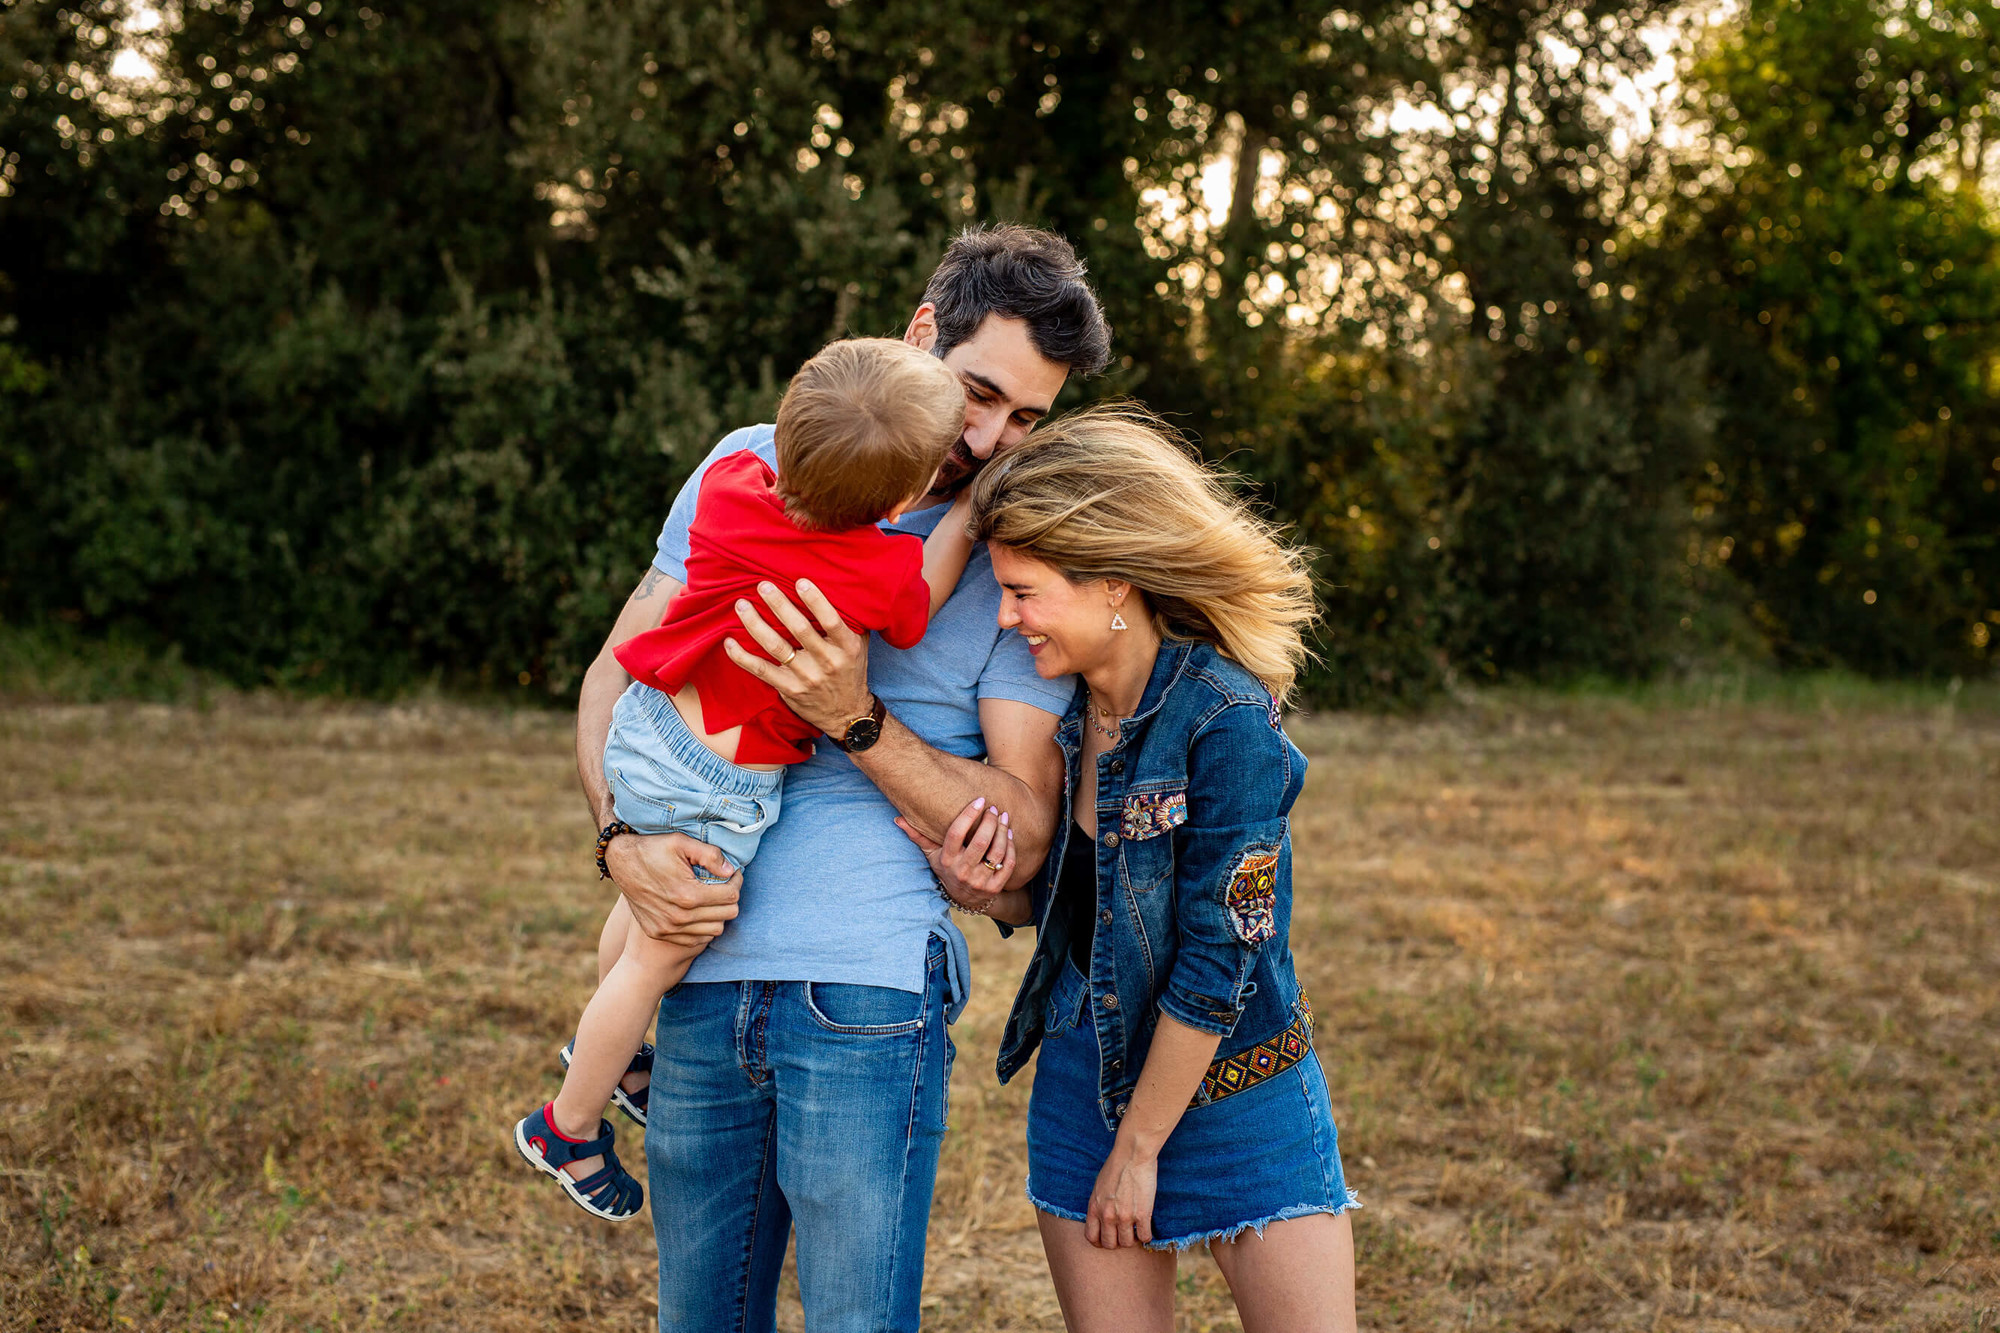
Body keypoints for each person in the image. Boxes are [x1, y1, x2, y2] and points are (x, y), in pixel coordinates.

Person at [572, 225, 1111, 1332]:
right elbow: (612, 678)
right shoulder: (755, 459)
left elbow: (1019, 824)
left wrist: (855, 719)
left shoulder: (1020, 549)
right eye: (979, 396)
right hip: (700, 971)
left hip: (863, 990)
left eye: (1026, 420)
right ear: (920, 333)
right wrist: (620, 843)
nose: (992, 439)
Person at [914, 404, 1360, 1333]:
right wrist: (992, 890)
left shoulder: (1226, 720)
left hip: (1241, 1089)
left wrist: (1141, 1147)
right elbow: (1091, 906)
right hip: (1082, 1079)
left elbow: (1219, 957)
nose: (1005, 618)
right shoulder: (1061, 717)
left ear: (1112, 584)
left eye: (1025, 591)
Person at [513, 338, 976, 1221]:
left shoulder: (731, 483)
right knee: (662, 950)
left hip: (647, 726)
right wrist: (966, 518)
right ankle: (566, 1126)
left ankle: (608, 1052)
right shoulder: (871, 567)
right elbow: (919, 600)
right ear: (905, 497)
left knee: (639, 912)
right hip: (715, 779)